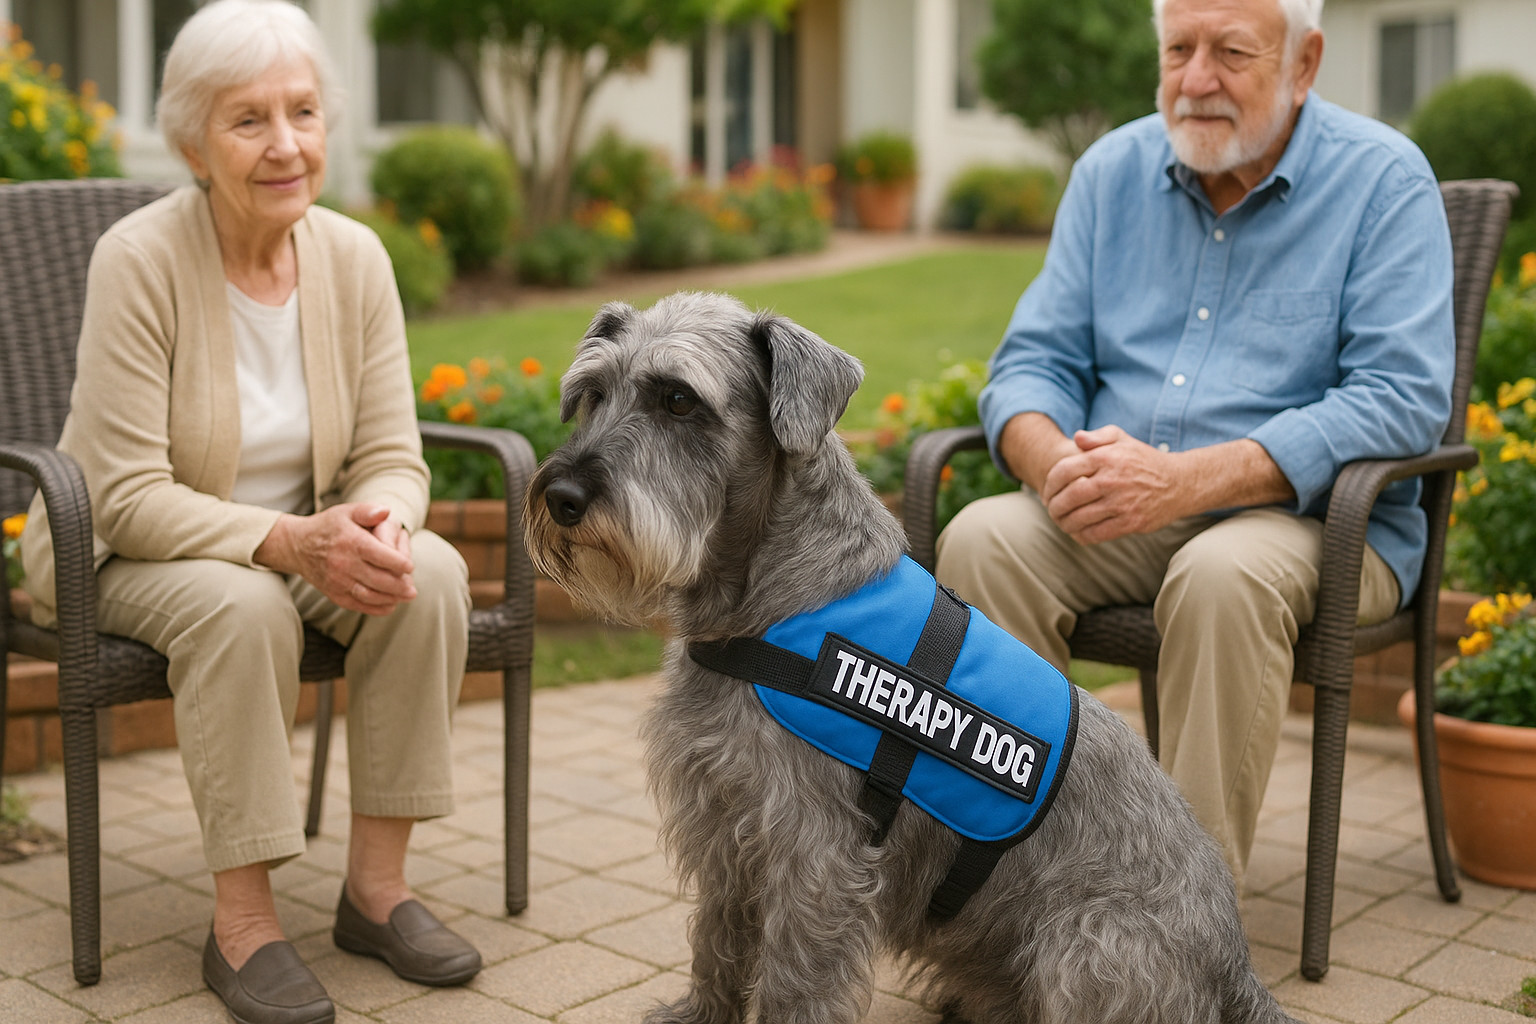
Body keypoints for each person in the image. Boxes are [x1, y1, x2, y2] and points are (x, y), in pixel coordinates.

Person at [18, 2, 480, 1020]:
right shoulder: (138, 260)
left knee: (432, 574)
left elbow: (393, 455)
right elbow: (127, 492)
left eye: (304, 112)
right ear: (192, 140)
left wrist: (384, 523)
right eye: (248, 121)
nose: (286, 146)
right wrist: (288, 541)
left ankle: (377, 890)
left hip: (293, 544)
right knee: (243, 608)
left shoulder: (355, 257)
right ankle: (244, 928)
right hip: (125, 547)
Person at [935, 0, 1453, 886]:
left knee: (1223, 576)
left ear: (1304, 61)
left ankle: (1175, 933)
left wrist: (1187, 482)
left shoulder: (1384, 181)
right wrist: (1054, 461)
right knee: (985, 538)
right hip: (1125, 502)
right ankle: (1012, 898)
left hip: (1314, 521)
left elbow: (1402, 398)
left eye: (1231, 52)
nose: (1196, 79)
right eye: (1179, 49)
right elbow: (1031, 363)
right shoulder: (1110, 172)